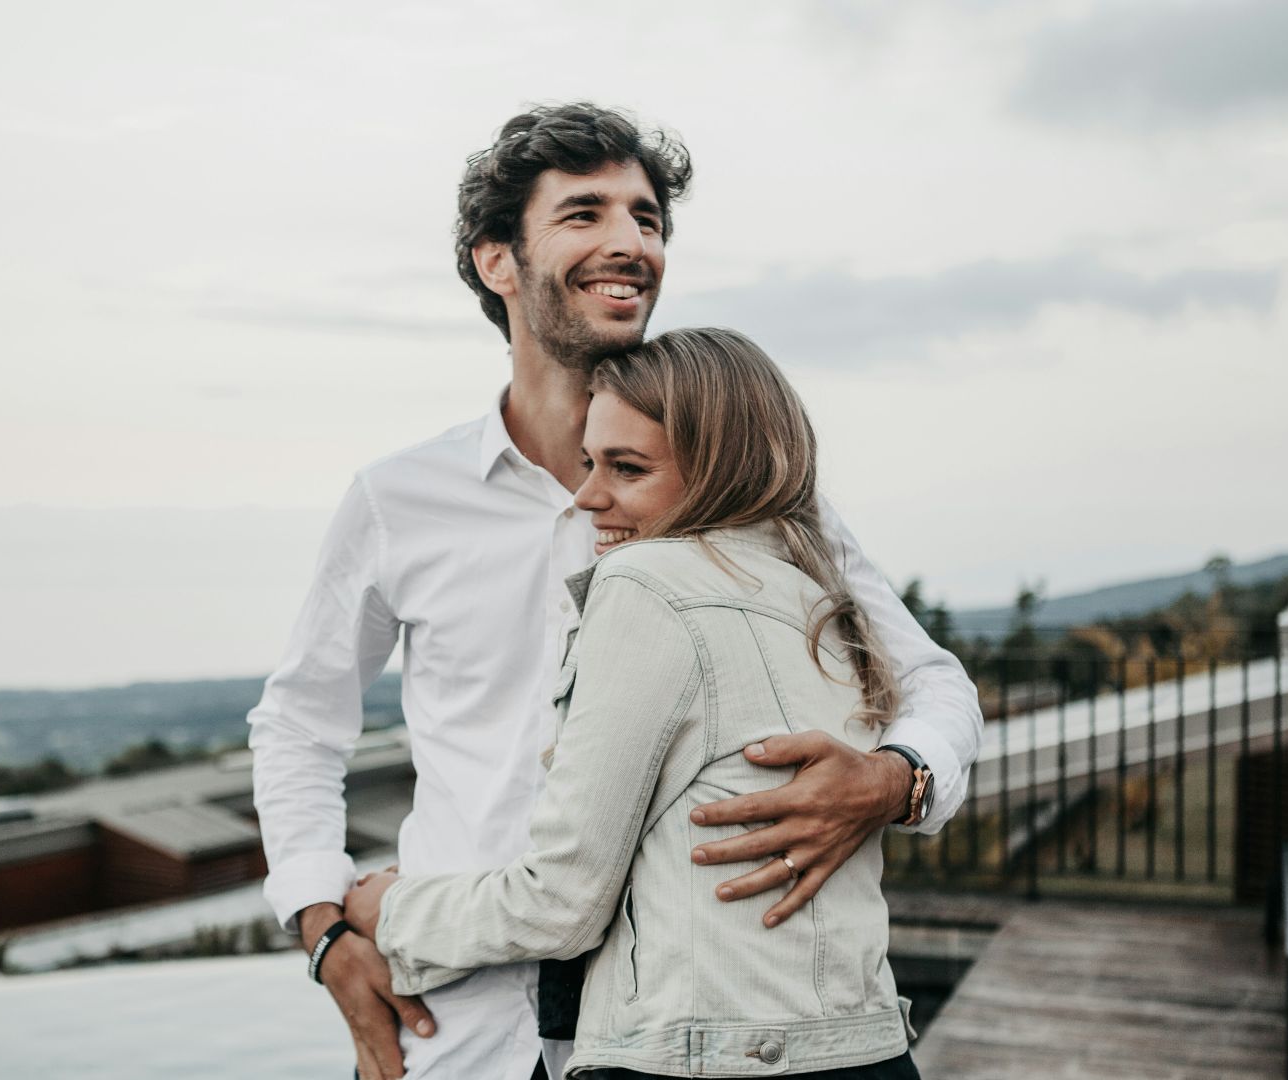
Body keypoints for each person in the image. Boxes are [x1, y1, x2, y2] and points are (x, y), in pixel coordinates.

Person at [248, 104, 981, 1080]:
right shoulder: (398, 500)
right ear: (496, 261)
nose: (630, 243)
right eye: (586, 213)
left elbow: (931, 682)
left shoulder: (758, 495)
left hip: (690, 1038)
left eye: (647, 219)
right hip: (458, 1023)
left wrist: (897, 781)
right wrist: (323, 929)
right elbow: (300, 724)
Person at [340, 327, 924, 1079]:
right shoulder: (823, 600)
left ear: (720, 471)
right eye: (589, 462)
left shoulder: (646, 584)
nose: (588, 498)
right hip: (865, 1047)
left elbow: (561, 900)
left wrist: (388, 910)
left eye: (628, 468)